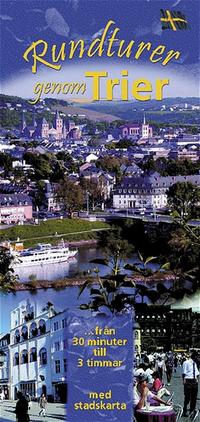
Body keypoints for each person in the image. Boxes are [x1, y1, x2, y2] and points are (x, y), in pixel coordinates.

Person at [182, 352, 199, 417]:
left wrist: (197, 380)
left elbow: (197, 373)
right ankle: (185, 409)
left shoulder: (195, 363)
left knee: (194, 397)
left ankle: (192, 410)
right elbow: (184, 373)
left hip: (194, 381)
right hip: (188, 381)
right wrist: (184, 381)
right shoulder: (186, 362)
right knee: (187, 397)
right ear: (195, 357)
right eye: (197, 357)